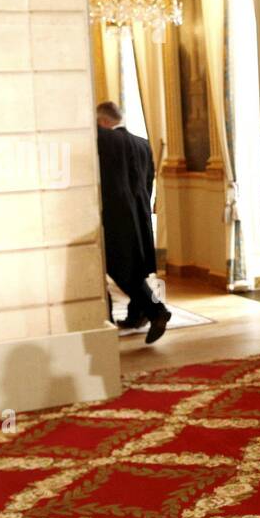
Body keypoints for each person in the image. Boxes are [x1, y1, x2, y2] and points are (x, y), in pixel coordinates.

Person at [95, 101, 170, 344]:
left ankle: (156, 310)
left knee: (121, 269)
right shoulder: (142, 143)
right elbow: (147, 182)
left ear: (103, 122)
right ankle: (136, 315)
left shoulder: (104, 140)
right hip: (140, 216)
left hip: (115, 218)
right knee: (134, 267)